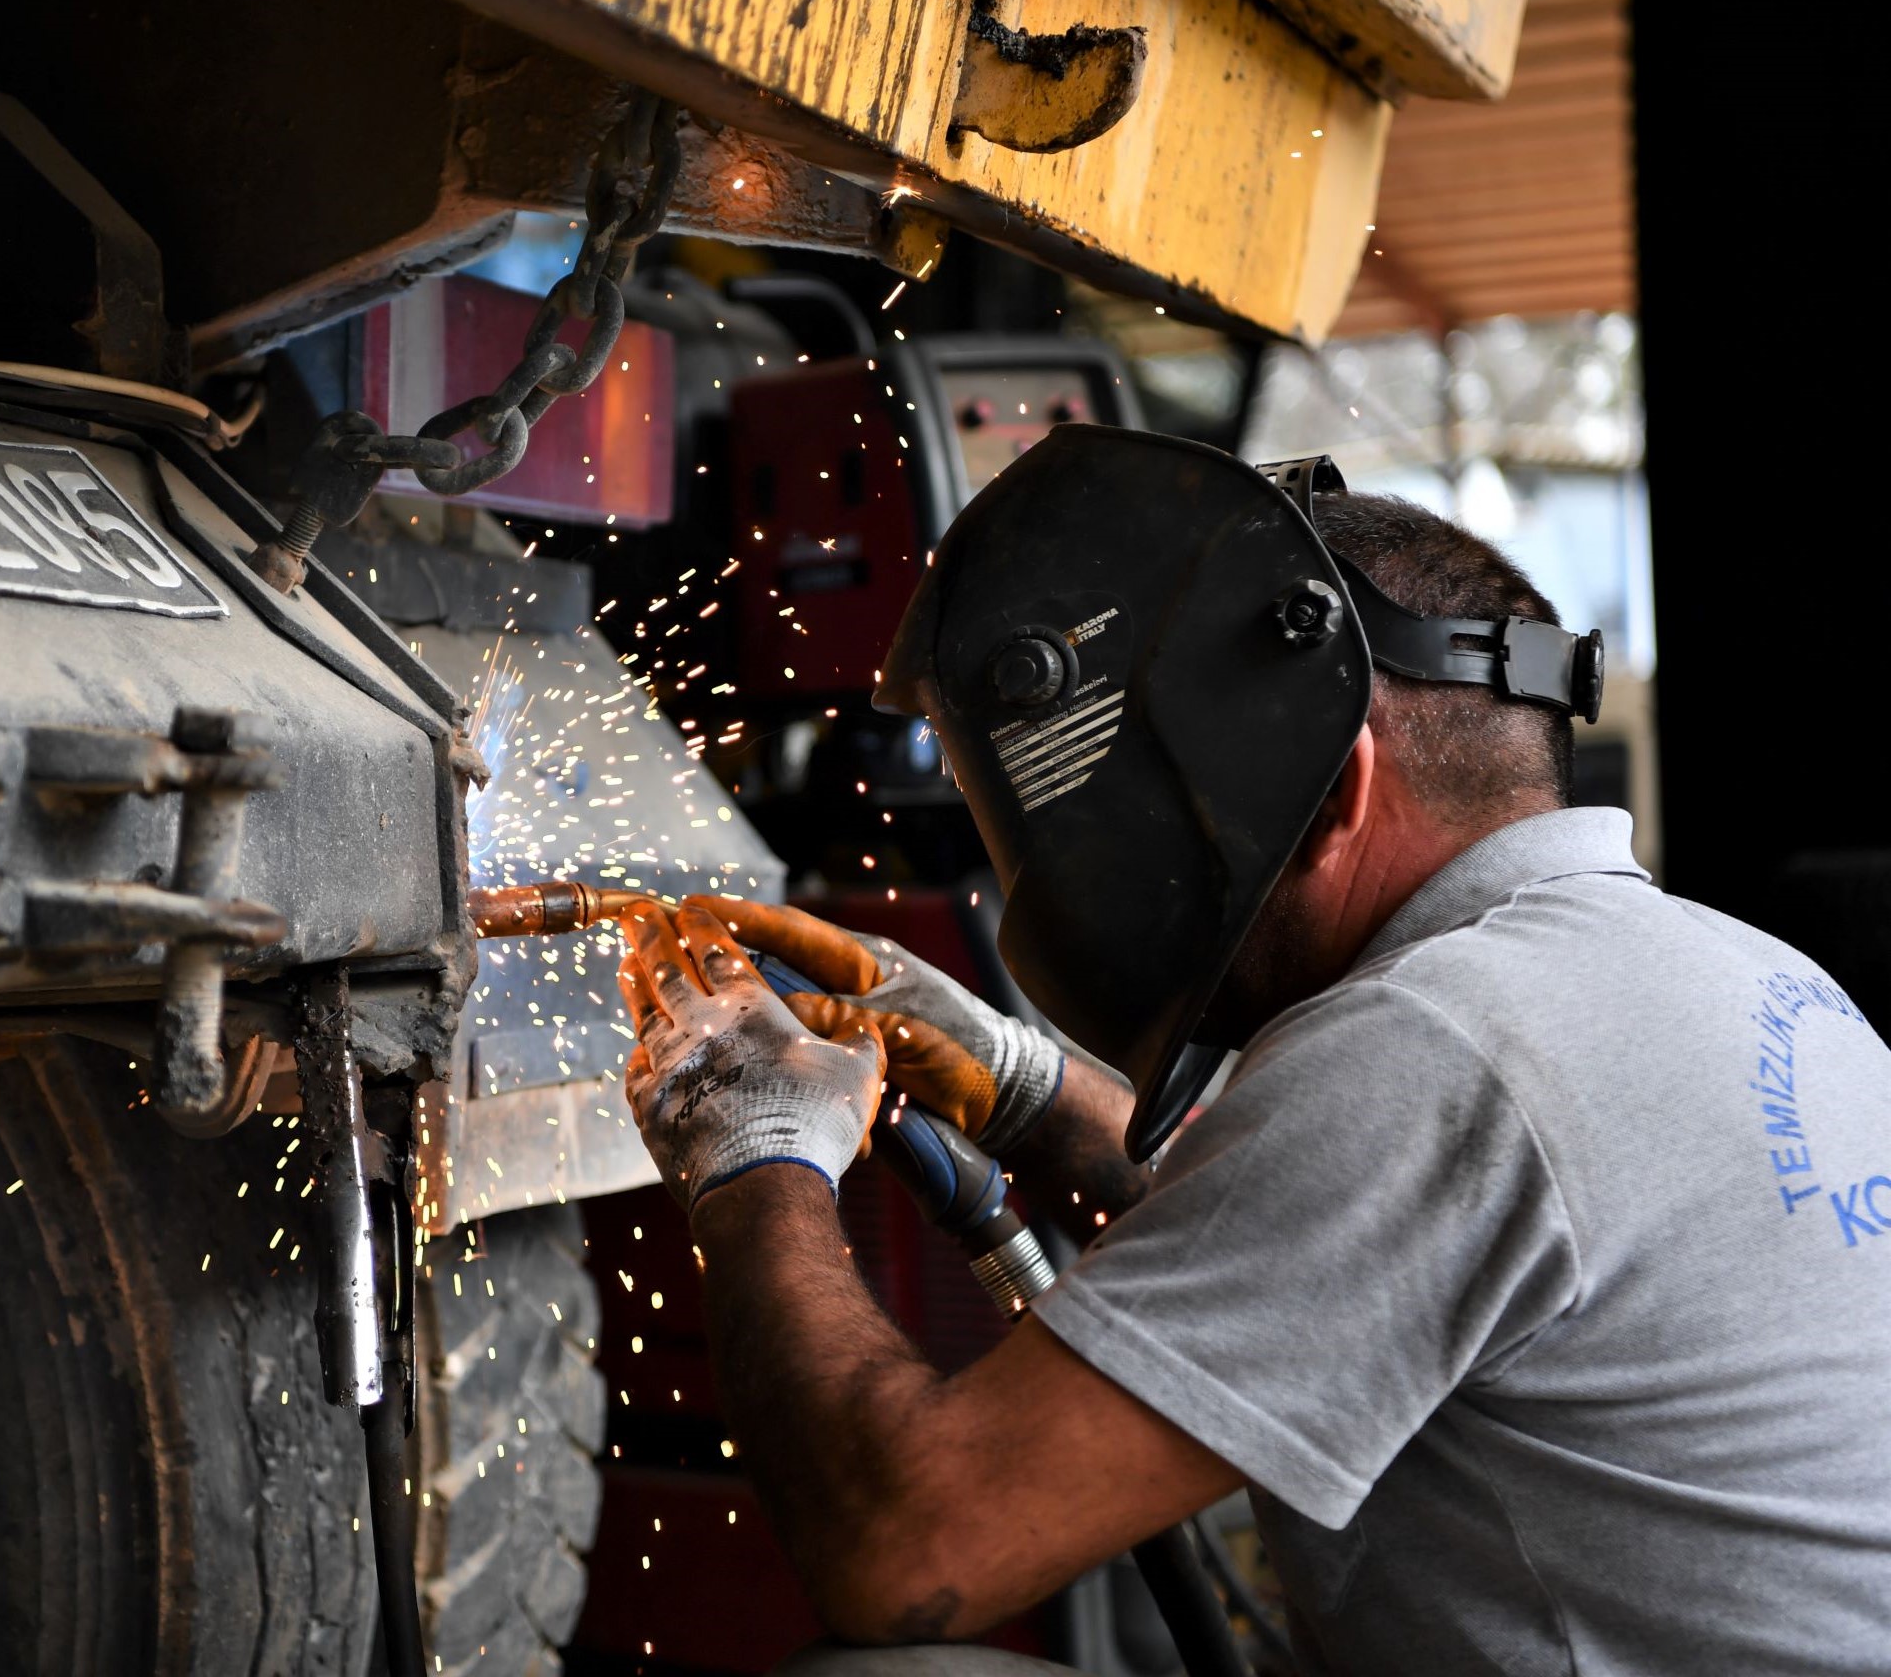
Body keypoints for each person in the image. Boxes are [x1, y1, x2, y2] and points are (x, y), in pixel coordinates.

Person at [612, 469, 1891, 1676]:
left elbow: (905, 1551)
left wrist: (754, 1154)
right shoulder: (1725, 977)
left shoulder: (1442, 1045)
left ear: (1330, 791)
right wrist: (1019, 1087)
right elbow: (1347, 1256)